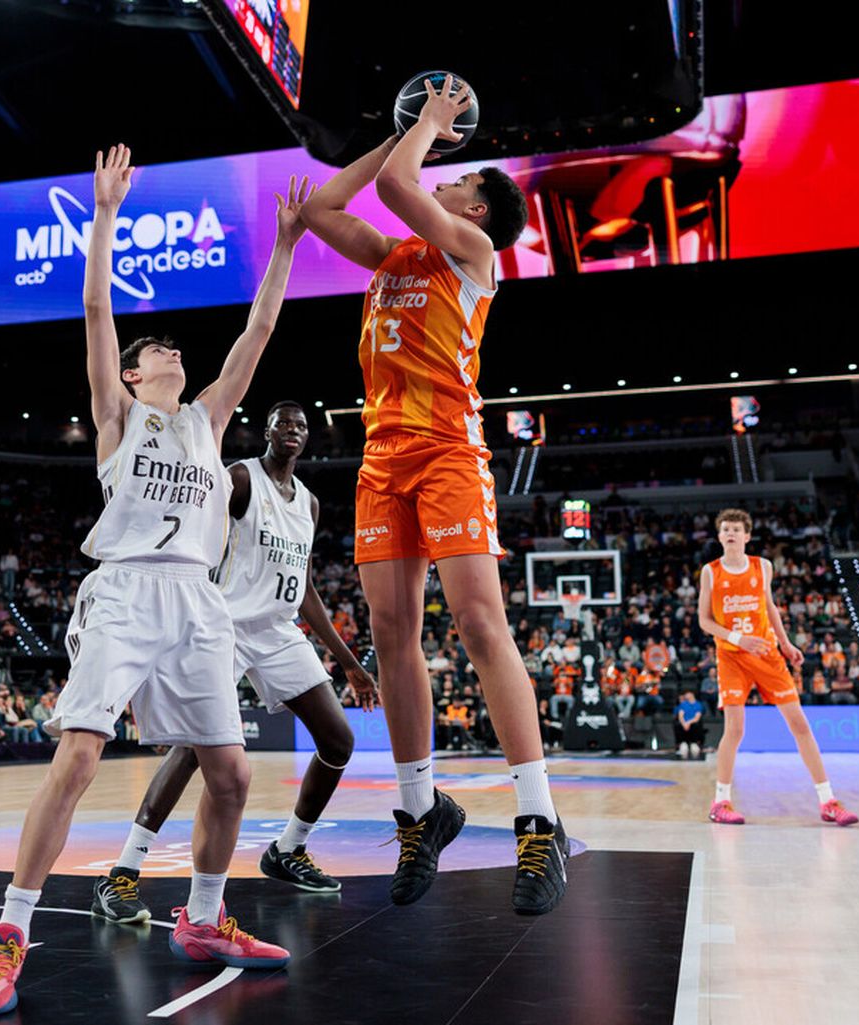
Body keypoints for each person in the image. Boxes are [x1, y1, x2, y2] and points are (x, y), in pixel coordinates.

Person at [0, 145, 307, 1015]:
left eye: (173, 348)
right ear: (129, 374)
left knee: (230, 775)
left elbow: (258, 332)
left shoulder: (207, 420)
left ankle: (200, 916)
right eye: (156, 348)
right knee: (78, 758)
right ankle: (8, 935)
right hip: (124, 591)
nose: (173, 353)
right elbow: (93, 306)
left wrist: (287, 244)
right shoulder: (118, 418)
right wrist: (108, 214)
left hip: (198, 599)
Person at [301, 76, 566, 915]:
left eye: (461, 180)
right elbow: (324, 207)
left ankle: (538, 821)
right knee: (390, 632)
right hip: (382, 459)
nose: (449, 177)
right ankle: (421, 809)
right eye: (447, 171)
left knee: (481, 623)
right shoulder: (392, 256)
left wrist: (430, 127)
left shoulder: (472, 255)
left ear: (479, 211)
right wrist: (403, 130)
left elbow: (394, 188)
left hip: (448, 449)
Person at [91, 402, 380, 923]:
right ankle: (121, 874)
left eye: (301, 425)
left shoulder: (309, 504)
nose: (292, 430)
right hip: (223, 622)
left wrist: (349, 662)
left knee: (338, 740)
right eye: (283, 422)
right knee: (190, 748)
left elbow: (306, 585)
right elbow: (198, 526)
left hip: (277, 629)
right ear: (267, 431)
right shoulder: (241, 477)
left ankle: (288, 849)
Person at [700, 508, 859, 826]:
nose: (731, 533)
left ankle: (827, 801)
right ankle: (721, 802)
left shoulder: (763, 567)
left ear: (747, 536)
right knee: (735, 729)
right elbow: (704, 621)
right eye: (725, 529)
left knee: (800, 724)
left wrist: (786, 644)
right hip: (731, 656)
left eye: (736, 529)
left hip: (767, 653)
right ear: (719, 536)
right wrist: (737, 638)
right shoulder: (710, 572)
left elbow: (769, 605)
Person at [674, 690, 705, 758]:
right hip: (684, 724)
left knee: (696, 725)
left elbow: (697, 718)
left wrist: (688, 723)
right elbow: (680, 716)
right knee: (678, 725)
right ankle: (682, 743)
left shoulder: (698, 704)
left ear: (692, 694)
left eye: (687, 694)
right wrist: (684, 723)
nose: (685, 695)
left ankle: (694, 743)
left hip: (692, 723)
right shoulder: (683, 704)